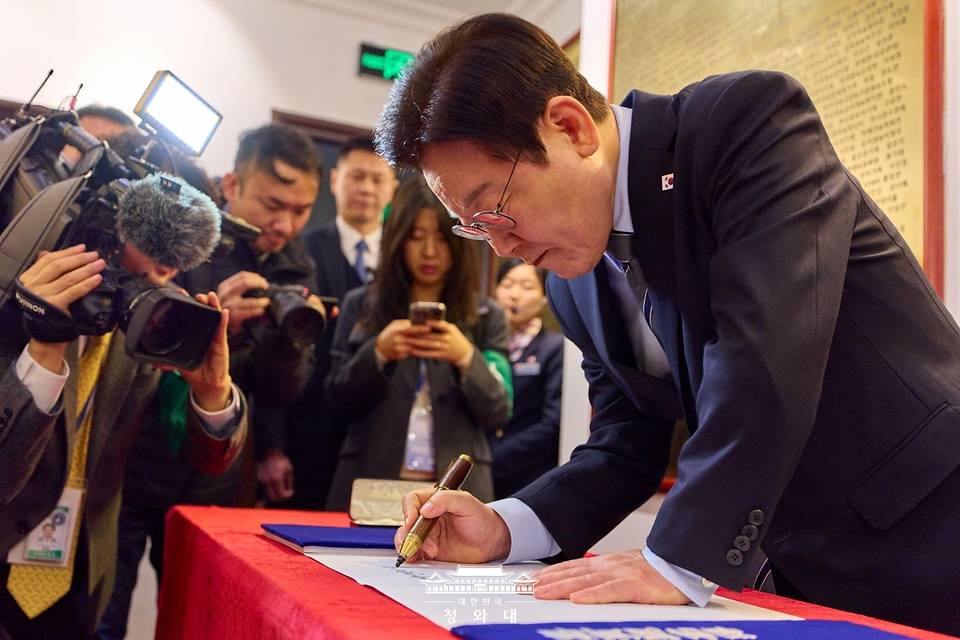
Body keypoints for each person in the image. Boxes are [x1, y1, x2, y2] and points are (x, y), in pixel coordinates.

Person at [375, 13, 960, 636]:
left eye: (494, 207)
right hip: (797, 575)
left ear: (569, 127)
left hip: (926, 528)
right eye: (474, 225)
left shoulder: (742, 125)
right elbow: (625, 444)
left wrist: (677, 556)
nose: (498, 247)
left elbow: (768, 353)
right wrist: (506, 525)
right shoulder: (574, 282)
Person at [95, 124, 323, 640]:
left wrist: (283, 343)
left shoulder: (294, 264)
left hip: (217, 480)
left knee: (202, 622)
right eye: (274, 203)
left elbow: (280, 393)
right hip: (130, 466)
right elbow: (135, 343)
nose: (285, 224)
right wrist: (214, 320)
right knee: (103, 618)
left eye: (302, 209)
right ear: (232, 185)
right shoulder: (185, 235)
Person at [0, 177, 246, 638]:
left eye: (175, 262)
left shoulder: (152, 326)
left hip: (84, 575)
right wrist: (43, 345)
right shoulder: (19, 295)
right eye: (152, 246)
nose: (162, 272)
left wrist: (213, 393)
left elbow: (209, 458)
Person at [323, 175, 509, 511]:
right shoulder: (361, 305)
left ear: (459, 242)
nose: (429, 251)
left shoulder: (485, 315)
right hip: (370, 482)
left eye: (440, 238)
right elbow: (335, 398)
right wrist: (377, 353)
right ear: (397, 239)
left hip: (458, 490)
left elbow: (499, 410)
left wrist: (466, 357)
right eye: (416, 236)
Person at [275, 136, 398, 509]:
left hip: (380, 440)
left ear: (393, 187)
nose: (366, 188)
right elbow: (276, 348)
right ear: (334, 180)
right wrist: (272, 446)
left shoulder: (405, 259)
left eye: (378, 179)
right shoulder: (299, 249)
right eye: (357, 176)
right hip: (306, 436)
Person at [489, 258, 563, 499]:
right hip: (479, 473)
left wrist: (493, 458)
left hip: (530, 477)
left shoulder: (554, 348)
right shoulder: (479, 344)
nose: (514, 295)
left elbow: (553, 422)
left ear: (544, 298)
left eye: (527, 287)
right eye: (507, 284)